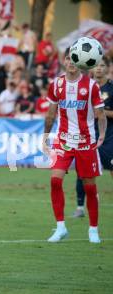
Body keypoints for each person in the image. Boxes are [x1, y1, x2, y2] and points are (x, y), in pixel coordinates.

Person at [42, 48, 106, 244]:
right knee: (55, 180)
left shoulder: (91, 86)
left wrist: (102, 134)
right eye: (68, 59)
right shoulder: (56, 84)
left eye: (74, 59)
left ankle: (93, 229)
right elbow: (51, 114)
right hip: (63, 141)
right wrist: (45, 137)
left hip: (86, 142)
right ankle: (60, 227)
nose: (70, 62)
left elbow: (100, 115)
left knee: (89, 186)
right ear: (64, 61)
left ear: (80, 62)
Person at [72, 57, 113, 218]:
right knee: (82, 172)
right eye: (96, 66)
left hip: (109, 137)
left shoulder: (111, 88)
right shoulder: (84, 86)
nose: (99, 69)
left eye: (102, 65)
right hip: (87, 135)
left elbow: (102, 112)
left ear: (108, 68)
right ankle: (80, 207)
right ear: (91, 68)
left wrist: (102, 112)